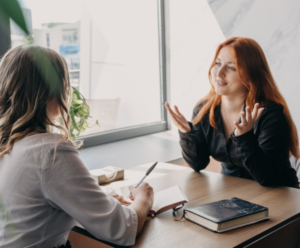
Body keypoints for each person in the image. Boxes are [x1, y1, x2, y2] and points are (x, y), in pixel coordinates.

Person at [0, 45, 154, 248]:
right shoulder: (50, 152)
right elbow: (122, 229)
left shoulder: (9, 145)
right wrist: (144, 199)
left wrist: (93, 201)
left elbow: (31, 207)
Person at [165, 37, 299, 187]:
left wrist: (244, 138)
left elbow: (268, 177)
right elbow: (198, 164)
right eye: (217, 63)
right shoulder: (204, 110)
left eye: (231, 67)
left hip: (281, 196)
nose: (219, 73)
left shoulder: (270, 114)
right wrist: (187, 133)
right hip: (233, 194)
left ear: (250, 77)